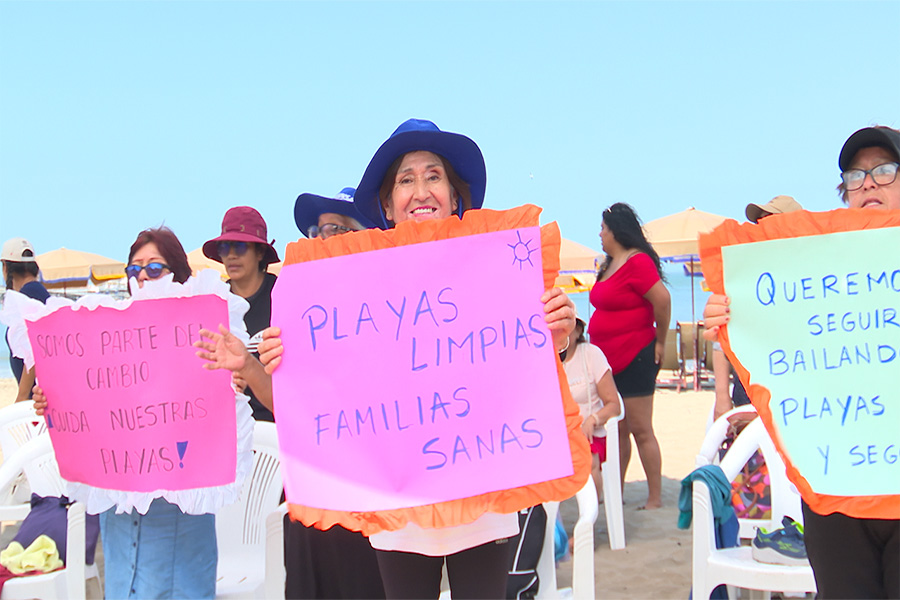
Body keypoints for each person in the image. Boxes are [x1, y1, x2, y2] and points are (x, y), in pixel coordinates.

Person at [201, 119, 577, 600]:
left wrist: (556, 337)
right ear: (387, 204)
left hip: (482, 493)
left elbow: (525, 375)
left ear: (455, 194)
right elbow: (317, 404)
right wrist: (273, 364)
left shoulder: (499, 267)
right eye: (405, 179)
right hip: (396, 505)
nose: (421, 190)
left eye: (433, 175)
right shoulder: (348, 295)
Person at [703, 125, 900, 599]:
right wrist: (731, 320)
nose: (868, 182)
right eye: (855, 175)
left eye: (885, 170)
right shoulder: (819, 268)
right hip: (834, 491)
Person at [33, 227, 227, 599]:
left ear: (178, 276)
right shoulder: (106, 341)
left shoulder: (204, 335)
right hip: (120, 509)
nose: (141, 275)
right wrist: (52, 401)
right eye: (133, 268)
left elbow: (217, 409)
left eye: (154, 268)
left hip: (176, 516)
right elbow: (84, 399)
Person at [588, 202, 671, 510]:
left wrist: (661, 343)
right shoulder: (608, 263)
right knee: (617, 429)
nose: (599, 234)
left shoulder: (637, 263)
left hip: (636, 355)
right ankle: (615, 492)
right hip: (607, 363)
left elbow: (662, 301)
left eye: (603, 229)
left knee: (640, 428)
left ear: (617, 231)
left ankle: (655, 497)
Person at [203, 206, 280, 421]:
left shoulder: (283, 297)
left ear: (260, 252)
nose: (231, 255)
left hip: (277, 425)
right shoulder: (212, 303)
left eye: (239, 246)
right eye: (224, 247)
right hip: (227, 425)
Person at [562, 316, 621, 502]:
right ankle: (552, 526)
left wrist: (593, 420)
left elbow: (614, 405)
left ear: (578, 330)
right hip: (560, 434)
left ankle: (589, 520)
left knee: (588, 458)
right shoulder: (546, 359)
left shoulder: (590, 354)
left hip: (590, 433)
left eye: (567, 326)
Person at [2, 237, 50, 402]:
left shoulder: (29, 295)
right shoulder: (38, 292)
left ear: (5, 267)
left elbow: (35, 349)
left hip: (35, 399)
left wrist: (22, 396)